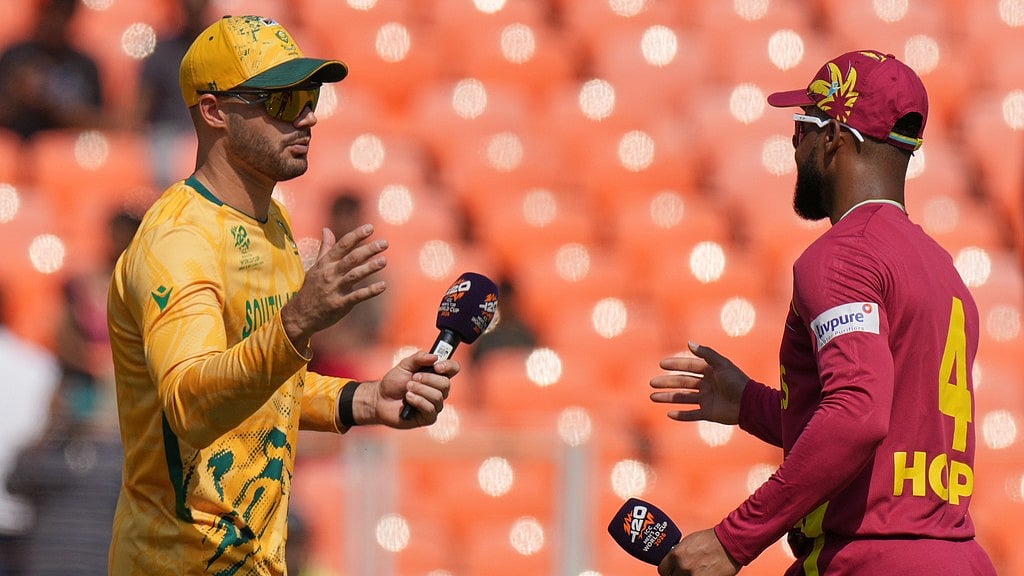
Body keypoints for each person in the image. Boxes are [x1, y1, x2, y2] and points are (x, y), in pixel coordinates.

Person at [106, 15, 458, 575]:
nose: (309, 114)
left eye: (309, 94)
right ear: (214, 110)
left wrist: (363, 400)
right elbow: (190, 408)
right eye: (282, 100)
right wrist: (296, 322)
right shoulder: (178, 241)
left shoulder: (276, 226)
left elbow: (263, 386)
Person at [649, 50, 997, 575]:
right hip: (956, 559)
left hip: (871, 561)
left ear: (834, 136)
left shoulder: (842, 255)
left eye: (802, 126)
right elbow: (895, 424)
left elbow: (858, 414)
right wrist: (750, 404)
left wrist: (731, 540)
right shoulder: (942, 269)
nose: (795, 143)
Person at [0, 0, 104, 140]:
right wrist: (18, 94)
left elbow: (100, 124)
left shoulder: (85, 64)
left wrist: (51, 101)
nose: (56, 20)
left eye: (64, 13)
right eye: (50, 12)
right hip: (15, 146)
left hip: (65, 152)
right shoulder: (14, 56)